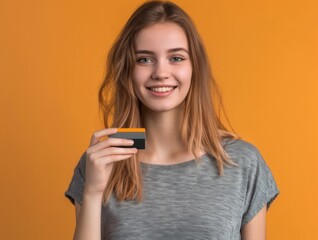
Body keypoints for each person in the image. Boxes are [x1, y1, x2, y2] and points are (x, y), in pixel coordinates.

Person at [65, 1, 280, 239]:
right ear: (127, 70)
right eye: (144, 59)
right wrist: (93, 192)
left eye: (176, 58)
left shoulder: (242, 162)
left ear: (194, 67)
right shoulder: (99, 162)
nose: (160, 72)